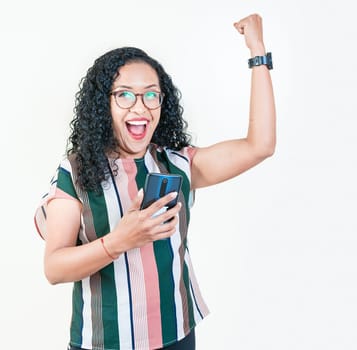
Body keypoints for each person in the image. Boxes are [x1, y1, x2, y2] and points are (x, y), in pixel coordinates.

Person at [33, 13, 275, 350]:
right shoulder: (75, 171)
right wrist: (119, 240)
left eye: (151, 95)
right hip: (103, 342)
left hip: (177, 334)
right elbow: (54, 268)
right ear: (103, 104)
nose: (141, 106)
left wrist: (258, 51)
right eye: (125, 95)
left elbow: (259, 145)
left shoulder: (176, 164)